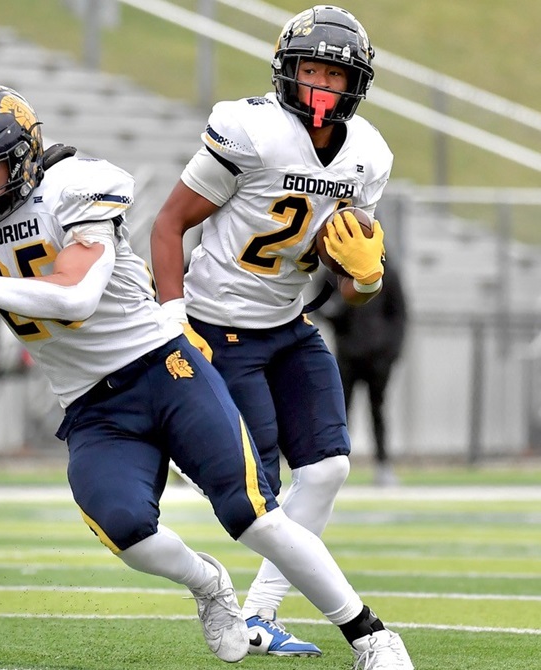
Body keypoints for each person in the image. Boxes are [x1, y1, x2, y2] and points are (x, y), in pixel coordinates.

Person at [0, 83, 413, 669]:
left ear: (20, 160)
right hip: (91, 405)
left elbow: (75, 297)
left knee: (251, 513)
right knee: (122, 524)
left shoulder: (73, 188)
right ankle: (208, 585)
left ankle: (372, 637)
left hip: (163, 368)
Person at [149, 4, 394, 658]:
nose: (318, 87)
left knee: (331, 469)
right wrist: (175, 322)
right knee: (259, 495)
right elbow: (168, 224)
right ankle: (187, 444)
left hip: (289, 323)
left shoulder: (368, 155)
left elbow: (349, 279)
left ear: (356, 85)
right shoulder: (250, 129)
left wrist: (367, 279)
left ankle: (259, 614)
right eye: (308, 70)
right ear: (286, 72)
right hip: (218, 326)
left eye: (332, 75)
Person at [321, 261, 407, 486]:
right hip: (347, 352)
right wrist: (338, 307)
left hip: (378, 356)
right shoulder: (336, 271)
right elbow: (321, 304)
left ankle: (382, 464)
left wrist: (391, 351)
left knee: (377, 409)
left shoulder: (386, 272)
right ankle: (337, 466)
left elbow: (399, 314)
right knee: (341, 410)